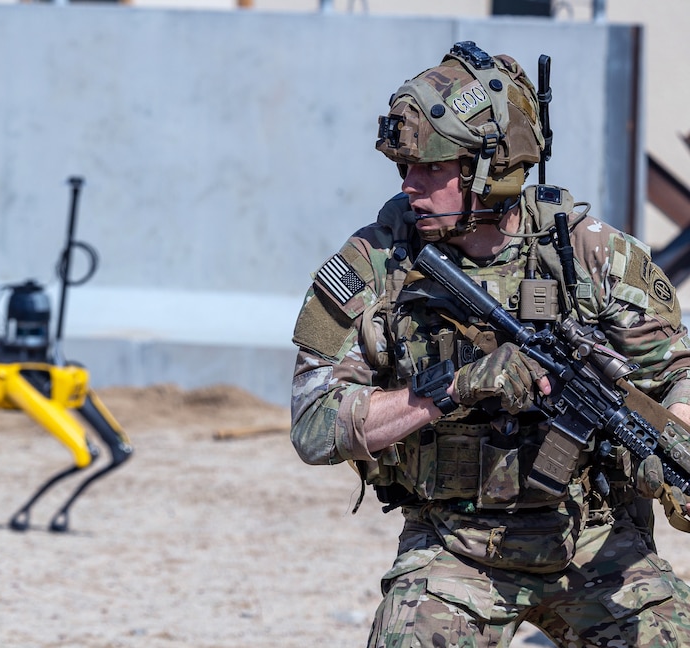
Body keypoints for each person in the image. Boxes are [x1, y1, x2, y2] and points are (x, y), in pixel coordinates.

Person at [289, 41, 690, 646]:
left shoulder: (592, 255)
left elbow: (676, 371)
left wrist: (668, 446)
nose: (411, 186)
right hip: (455, 551)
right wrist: (450, 388)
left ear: (490, 170)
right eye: (404, 168)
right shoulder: (376, 264)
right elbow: (314, 426)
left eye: (431, 169)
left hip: (596, 542)